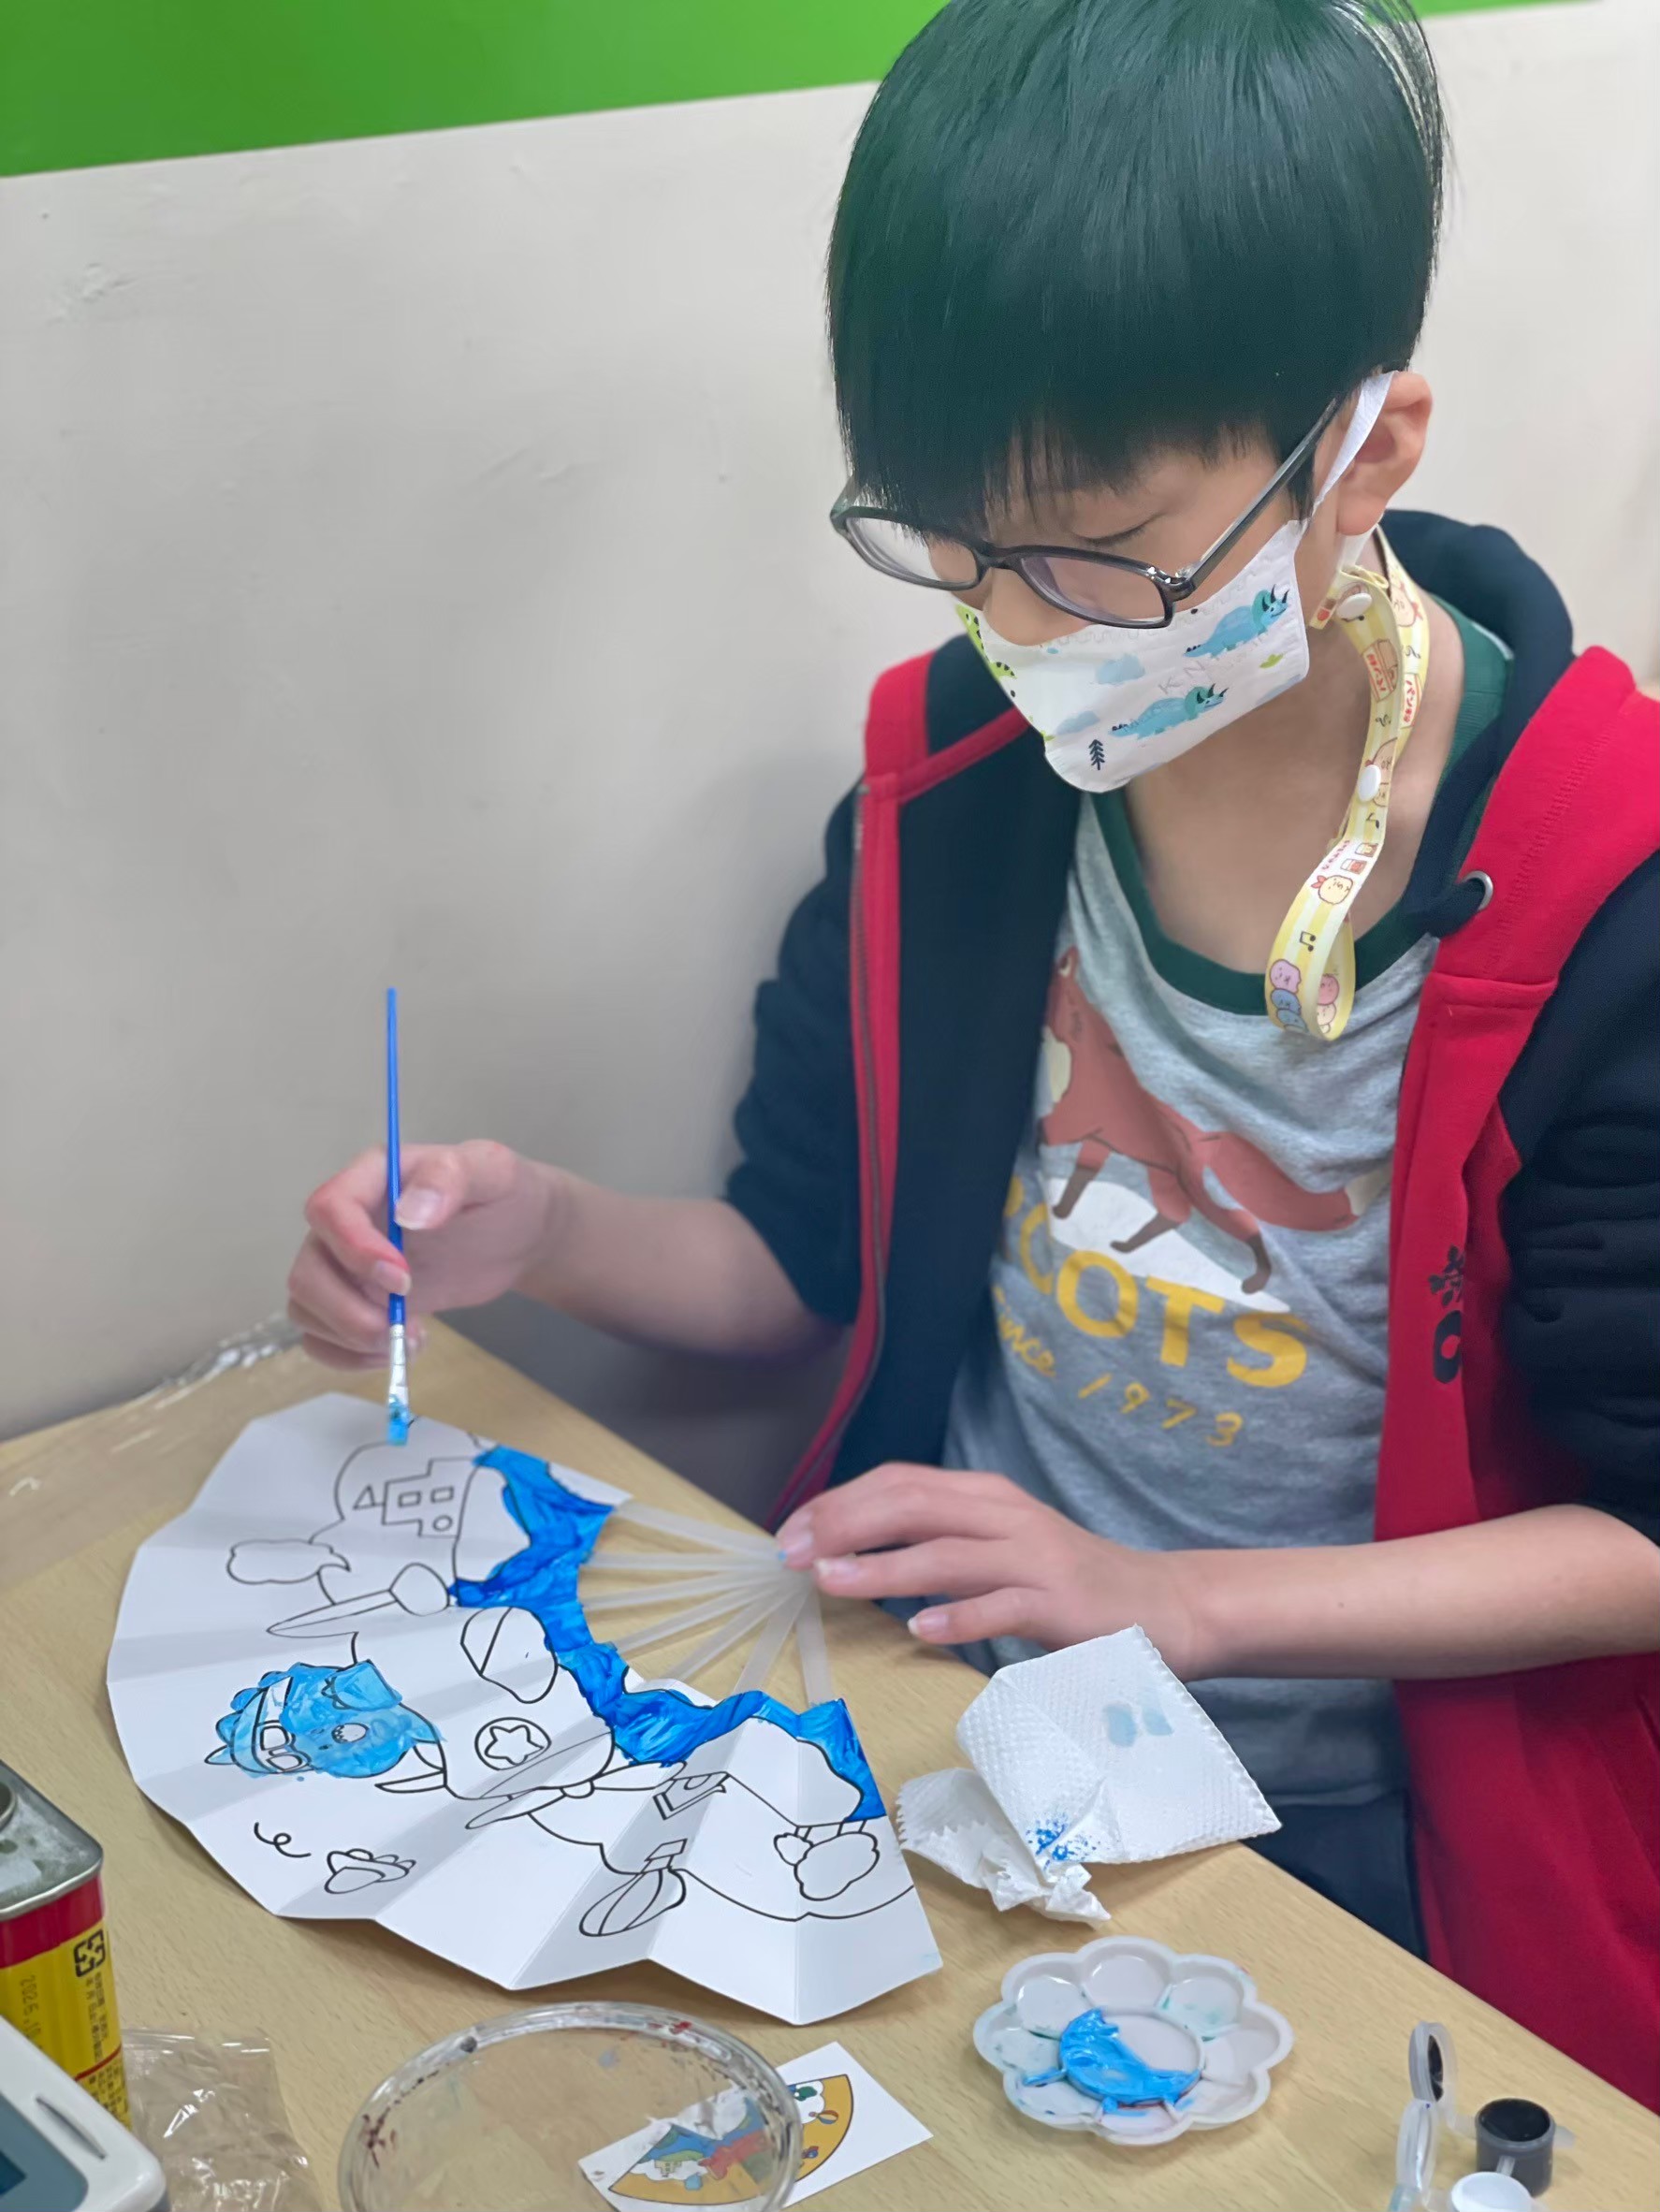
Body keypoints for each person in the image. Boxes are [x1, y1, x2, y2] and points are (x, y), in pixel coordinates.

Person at [287, 0, 1659, 2100]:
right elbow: (804, 1265)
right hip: (942, 1731)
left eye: (1096, 555)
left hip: (1362, 1822)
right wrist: (536, 1233)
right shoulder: (956, 783)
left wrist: (1177, 1602)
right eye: (953, 550)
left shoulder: (1604, 897)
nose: (1016, 632)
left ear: (1362, 453)